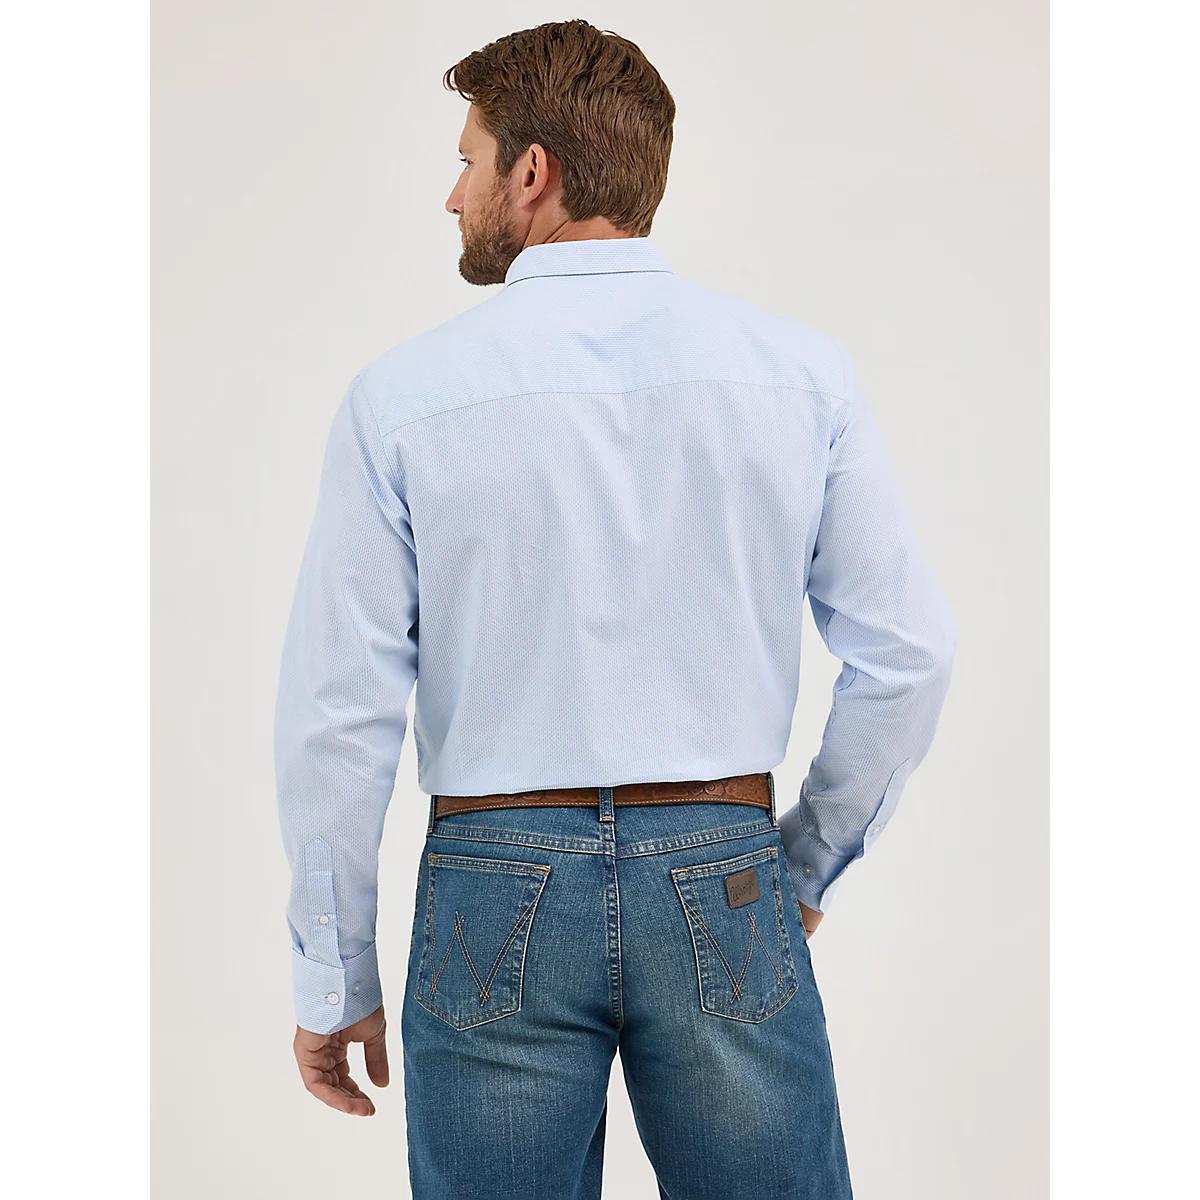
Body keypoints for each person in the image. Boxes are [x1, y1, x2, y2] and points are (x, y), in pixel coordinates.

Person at [274, 18, 956, 1199]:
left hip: (494, 879)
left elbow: (338, 714)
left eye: (468, 160)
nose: (453, 194)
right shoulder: (799, 378)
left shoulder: (403, 399)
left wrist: (333, 976)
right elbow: (910, 657)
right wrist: (796, 871)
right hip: (721, 861)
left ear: (531, 173)